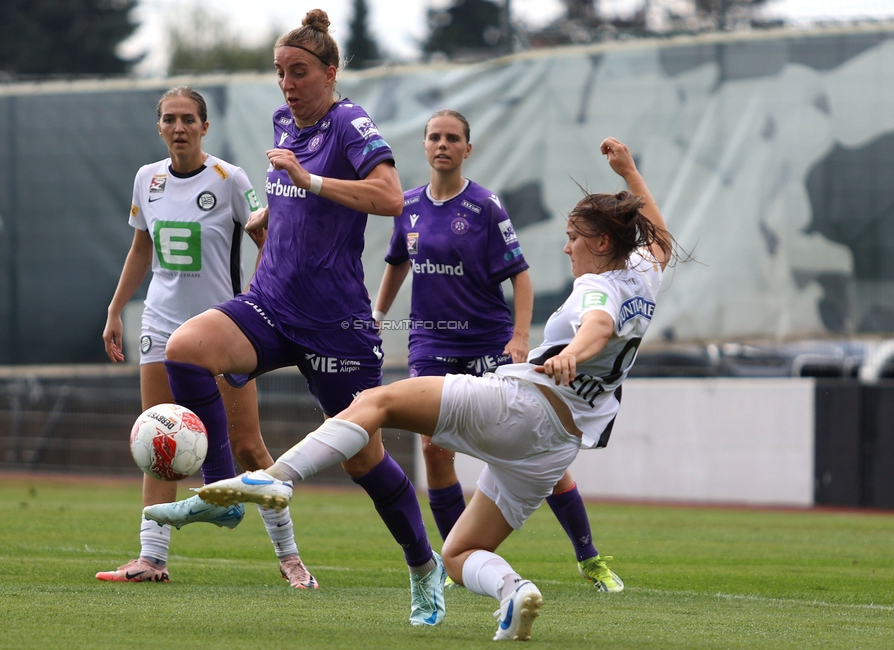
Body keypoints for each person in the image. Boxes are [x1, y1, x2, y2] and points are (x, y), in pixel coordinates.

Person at [198, 137, 674, 641]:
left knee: (375, 401)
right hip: (555, 448)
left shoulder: (594, 287)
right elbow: (662, 237)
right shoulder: (644, 274)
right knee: (458, 555)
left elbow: (597, 325)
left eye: (574, 237)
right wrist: (630, 172)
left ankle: (277, 476)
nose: (566, 246)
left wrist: (574, 352)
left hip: (525, 407)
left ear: (602, 244)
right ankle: (514, 590)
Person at [158, 11, 446, 625]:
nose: (287, 84)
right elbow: (294, 209)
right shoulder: (283, 120)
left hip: (336, 324)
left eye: (300, 72)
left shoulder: (350, 123)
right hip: (270, 304)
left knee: (363, 461)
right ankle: (221, 493)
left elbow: (392, 198)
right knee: (187, 348)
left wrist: (310, 181)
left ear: (330, 72)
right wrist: (269, 223)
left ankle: (424, 566)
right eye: (280, 73)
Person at [373, 109, 622, 593]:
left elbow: (521, 275)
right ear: (423, 146)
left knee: (536, 451)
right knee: (434, 448)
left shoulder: (485, 206)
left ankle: (589, 556)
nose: (442, 144)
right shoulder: (405, 206)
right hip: (430, 340)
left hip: (487, 339)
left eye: (452, 138)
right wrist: (377, 319)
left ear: (468, 149)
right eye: (434, 137)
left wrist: (520, 337)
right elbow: (397, 263)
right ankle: (457, 562)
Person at [95, 86, 316, 589]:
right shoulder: (146, 179)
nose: (179, 128)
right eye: (170, 119)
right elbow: (140, 250)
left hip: (222, 333)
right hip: (159, 327)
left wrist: (259, 306)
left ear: (204, 126)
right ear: (159, 127)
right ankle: (152, 559)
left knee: (248, 447)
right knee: (158, 442)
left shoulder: (230, 179)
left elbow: (268, 240)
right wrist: (114, 311)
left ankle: (290, 557)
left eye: (188, 119)